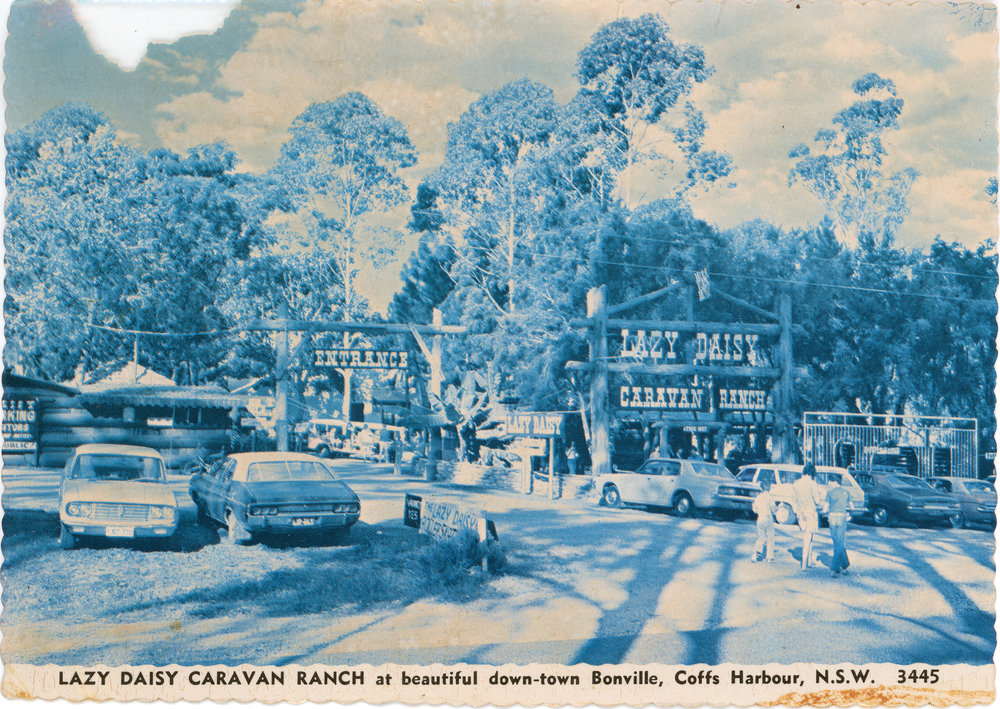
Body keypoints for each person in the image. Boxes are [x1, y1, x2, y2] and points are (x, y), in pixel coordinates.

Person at [792, 464, 822, 570]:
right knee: (809, 537)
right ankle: (805, 562)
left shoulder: (796, 483)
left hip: (801, 512)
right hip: (810, 512)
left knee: (807, 536)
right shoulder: (812, 484)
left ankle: (808, 561)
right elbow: (817, 501)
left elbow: (794, 499)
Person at [826, 476, 852, 576]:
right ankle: (845, 566)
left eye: (830, 481)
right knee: (839, 542)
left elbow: (825, 508)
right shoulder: (846, 492)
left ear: (835, 482)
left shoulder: (829, 493)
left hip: (832, 517)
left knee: (837, 542)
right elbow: (851, 506)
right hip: (842, 517)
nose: (829, 484)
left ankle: (835, 568)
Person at [751, 486, 776, 563]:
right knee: (770, 537)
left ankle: (755, 554)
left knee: (761, 537)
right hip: (768, 517)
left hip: (760, 518)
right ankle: (769, 557)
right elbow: (773, 510)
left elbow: (755, 510)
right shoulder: (770, 497)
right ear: (769, 488)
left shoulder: (758, 498)